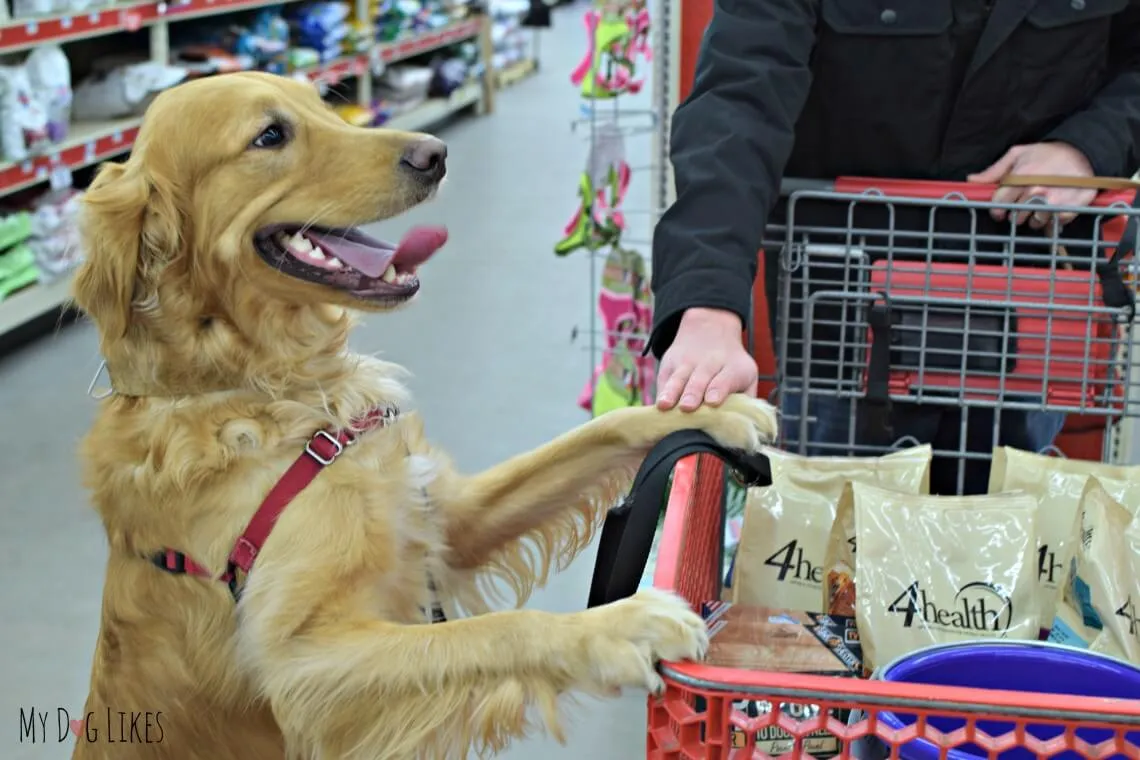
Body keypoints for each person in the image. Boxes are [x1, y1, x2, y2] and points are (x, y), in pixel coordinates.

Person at [649, 0, 1140, 490]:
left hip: (1027, 319)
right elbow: (738, 100)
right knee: (834, 547)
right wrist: (707, 305)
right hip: (843, 325)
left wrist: (1087, 147)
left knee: (1000, 547)